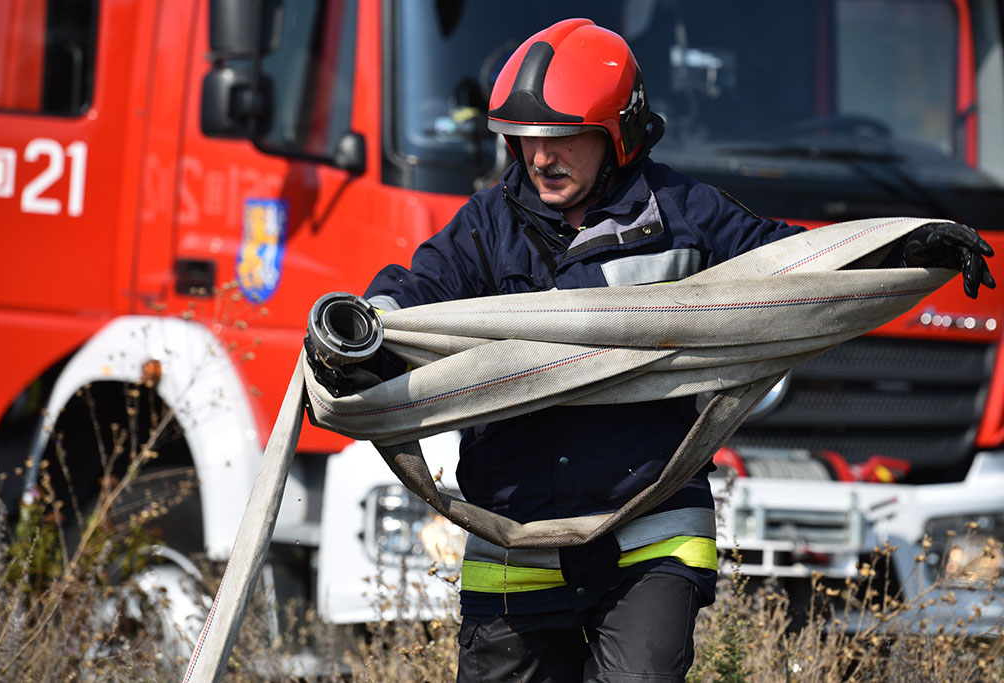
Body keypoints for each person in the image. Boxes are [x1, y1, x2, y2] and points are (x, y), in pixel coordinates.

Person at [312, 18, 994, 682]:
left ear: (619, 134)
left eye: (561, 138)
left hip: (651, 532)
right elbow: (414, 296)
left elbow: (800, 266)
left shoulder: (686, 215)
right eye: (524, 139)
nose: (539, 157)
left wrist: (904, 247)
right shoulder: (484, 229)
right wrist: (361, 343)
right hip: (514, 538)